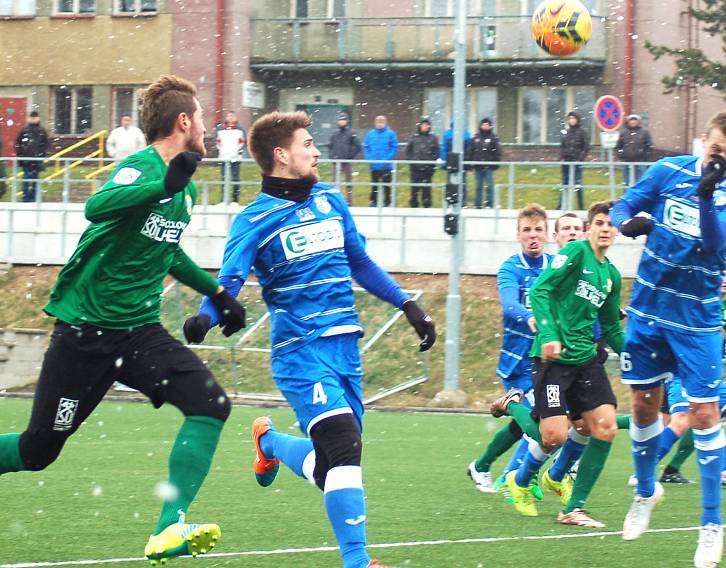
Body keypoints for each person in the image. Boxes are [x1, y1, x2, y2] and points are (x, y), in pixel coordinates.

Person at [0, 76, 247, 563]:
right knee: (37, 451)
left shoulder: (186, 190)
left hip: (139, 332)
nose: (205, 126)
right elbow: (97, 207)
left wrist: (217, 291)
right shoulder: (141, 168)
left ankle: (167, 527)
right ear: (183, 121)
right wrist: (160, 185)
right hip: (85, 333)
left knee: (211, 403)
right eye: (200, 117)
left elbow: (166, 251)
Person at [182, 111, 435, 568]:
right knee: (344, 448)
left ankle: (271, 445)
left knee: (331, 464)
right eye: (307, 145)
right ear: (282, 155)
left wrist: (407, 306)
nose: (316, 152)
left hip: (345, 349)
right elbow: (231, 278)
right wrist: (205, 316)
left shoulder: (330, 200)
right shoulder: (254, 219)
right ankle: (357, 562)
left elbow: (359, 261)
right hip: (299, 351)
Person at [611, 109, 726, 568]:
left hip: (698, 321)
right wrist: (626, 223)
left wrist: (709, 195)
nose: (723, 158)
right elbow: (621, 205)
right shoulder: (666, 170)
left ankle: (711, 526)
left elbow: (715, 243)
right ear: (704, 141)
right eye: (717, 149)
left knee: (705, 414)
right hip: (650, 310)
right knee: (642, 405)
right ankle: (645, 492)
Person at [491, 200, 625, 528]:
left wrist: (638, 356)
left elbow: (610, 327)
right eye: (600, 223)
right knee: (554, 437)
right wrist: (549, 332)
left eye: (611, 224)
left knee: (603, 427)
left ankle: (573, 508)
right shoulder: (575, 252)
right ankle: (512, 406)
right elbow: (540, 290)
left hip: (587, 361)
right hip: (553, 359)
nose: (606, 229)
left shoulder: (612, 275)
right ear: (589, 227)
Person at [467, 204, 552, 499]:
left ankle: (482, 465)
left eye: (538, 230)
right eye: (527, 230)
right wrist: (530, 316)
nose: (533, 236)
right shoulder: (510, 268)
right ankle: (511, 478)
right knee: (536, 422)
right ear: (518, 234)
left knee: (527, 423)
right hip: (519, 361)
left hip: (549, 357)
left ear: (547, 234)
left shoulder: (556, 265)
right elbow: (508, 303)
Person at [657, 259, 726, 488]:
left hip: (708, 378)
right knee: (680, 421)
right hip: (682, 374)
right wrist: (722, 345)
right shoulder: (697, 300)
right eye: (722, 275)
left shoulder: (724, 307)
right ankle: (646, 467)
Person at [363, 115, 398, 207]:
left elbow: (394, 147)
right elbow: (366, 146)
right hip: (374, 166)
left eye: (381, 122)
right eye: (378, 122)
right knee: (374, 185)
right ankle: (373, 202)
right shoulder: (370, 134)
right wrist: (369, 158)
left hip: (386, 166)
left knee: (387, 186)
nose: (379, 124)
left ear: (385, 123)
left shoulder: (390, 134)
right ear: (375, 123)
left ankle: (388, 203)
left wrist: (387, 159)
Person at [15, 111, 49, 202]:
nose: (33, 119)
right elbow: (18, 144)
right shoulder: (25, 131)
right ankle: (27, 198)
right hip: (27, 160)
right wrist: (21, 156)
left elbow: (45, 145)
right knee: (27, 179)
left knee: (34, 179)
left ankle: (32, 198)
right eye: (32, 117)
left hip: (36, 160)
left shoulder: (41, 131)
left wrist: (41, 156)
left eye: (35, 117)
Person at [328, 112, 362, 205]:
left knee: (348, 182)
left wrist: (349, 157)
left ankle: (349, 201)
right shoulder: (335, 133)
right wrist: (332, 156)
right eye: (340, 120)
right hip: (336, 161)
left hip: (346, 162)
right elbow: (330, 146)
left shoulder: (351, 133)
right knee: (335, 182)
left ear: (347, 121)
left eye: (343, 120)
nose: (341, 122)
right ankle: (335, 200)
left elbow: (358, 146)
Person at [405, 117, 439, 208]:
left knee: (426, 189)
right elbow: (408, 150)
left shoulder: (433, 138)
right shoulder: (414, 137)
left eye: (426, 125)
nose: (425, 126)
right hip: (415, 168)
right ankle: (414, 205)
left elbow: (437, 151)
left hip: (427, 169)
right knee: (414, 189)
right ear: (420, 126)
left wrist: (432, 163)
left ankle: (427, 206)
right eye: (423, 125)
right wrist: (411, 161)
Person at [559, 112, 589, 210]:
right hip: (566, 161)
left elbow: (586, 146)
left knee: (577, 183)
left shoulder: (582, 132)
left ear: (577, 119)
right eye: (570, 118)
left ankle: (580, 206)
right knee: (565, 183)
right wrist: (562, 157)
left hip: (576, 161)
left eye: (573, 118)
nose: (572, 120)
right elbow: (562, 146)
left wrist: (580, 158)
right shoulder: (566, 132)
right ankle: (561, 205)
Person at [215, 111, 247, 203]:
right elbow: (217, 142)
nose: (230, 118)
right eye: (229, 116)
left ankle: (235, 201)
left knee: (236, 179)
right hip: (224, 157)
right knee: (223, 180)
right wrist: (222, 151)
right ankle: (223, 200)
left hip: (235, 158)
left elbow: (243, 142)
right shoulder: (220, 129)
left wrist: (238, 152)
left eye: (232, 116)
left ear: (236, 118)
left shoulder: (240, 129)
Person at [470, 118, 502, 208]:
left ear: (490, 126)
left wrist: (496, 163)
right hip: (478, 166)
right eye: (484, 124)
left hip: (489, 166)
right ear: (481, 126)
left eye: (487, 125)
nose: (485, 126)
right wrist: (471, 162)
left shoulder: (494, 138)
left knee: (489, 186)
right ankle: (478, 205)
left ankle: (489, 205)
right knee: (478, 186)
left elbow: (497, 152)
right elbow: (471, 151)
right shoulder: (476, 138)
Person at [615, 114, 653, 186]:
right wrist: (621, 155)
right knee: (626, 181)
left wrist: (645, 156)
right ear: (629, 121)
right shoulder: (623, 132)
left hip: (640, 160)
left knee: (641, 180)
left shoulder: (644, 132)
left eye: (635, 120)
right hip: (626, 160)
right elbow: (618, 145)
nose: (633, 122)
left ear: (638, 122)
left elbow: (649, 146)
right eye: (631, 120)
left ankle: (639, 196)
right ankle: (626, 195)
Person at [441, 122, 472, 206]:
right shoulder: (448, 134)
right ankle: (451, 202)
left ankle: (462, 202)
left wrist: (467, 161)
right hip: (452, 162)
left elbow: (469, 149)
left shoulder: (466, 134)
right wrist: (444, 160)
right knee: (451, 182)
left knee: (462, 183)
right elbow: (444, 148)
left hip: (460, 162)